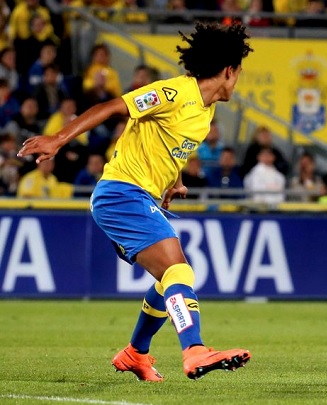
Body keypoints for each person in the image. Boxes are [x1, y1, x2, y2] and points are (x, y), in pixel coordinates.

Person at [18, 21, 254, 382]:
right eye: (238, 73)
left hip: (137, 196)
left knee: (167, 279)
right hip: (120, 192)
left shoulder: (204, 113)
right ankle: (194, 349)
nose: (237, 82)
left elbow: (170, 145)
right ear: (228, 70)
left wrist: (173, 181)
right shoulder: (175, 93)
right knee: (180, 271)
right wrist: (58, 139)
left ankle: (136, 353)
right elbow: (117, 106)